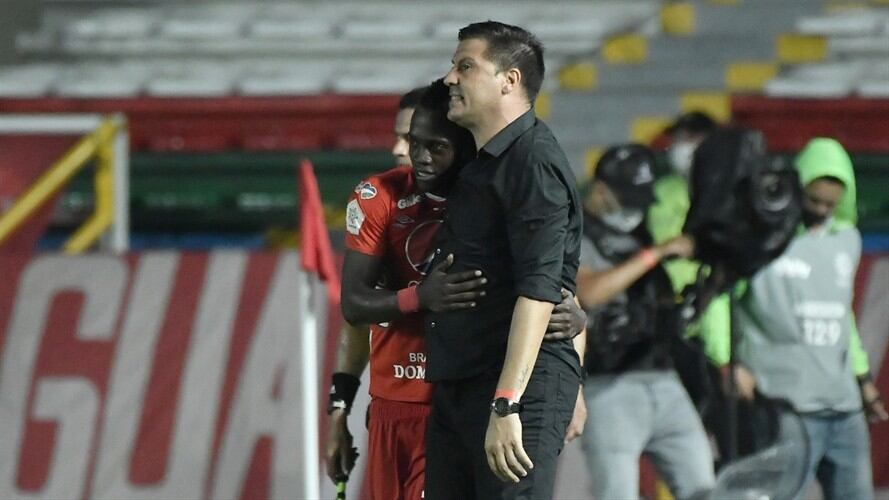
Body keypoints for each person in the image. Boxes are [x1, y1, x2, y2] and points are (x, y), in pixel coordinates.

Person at [325, 81, 585, 499]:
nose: (408, 152)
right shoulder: (378, 197)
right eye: (409, 140)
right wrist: (339, 409)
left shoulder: (498, 195)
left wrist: (575, 370)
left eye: (433, 144)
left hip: (462, 398)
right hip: (392, 404)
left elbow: (549, 293)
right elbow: (355, 309)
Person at [424, 21, 584, 500]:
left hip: (514, 389)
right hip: (463, 383)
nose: (450, 78)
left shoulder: (532, 161)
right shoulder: (483, 161)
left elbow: (541, 288)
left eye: (465, 66)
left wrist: (507, 402)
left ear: (509, 80)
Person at [729, 137, 887, 500]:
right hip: (785, 403)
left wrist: (862, 379)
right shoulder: (762, 239)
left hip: (843, 406)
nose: (821, 209)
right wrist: (727, 362)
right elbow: (722, 300)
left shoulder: (847, 239)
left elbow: (841, 315)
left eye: (830, 204)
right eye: (814, 200)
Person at [575, 144, 715, 500]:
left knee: (704, 488)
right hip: (609, 384)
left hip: (663, 376)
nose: (635, 210)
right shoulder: (574, 231)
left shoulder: (637, 234)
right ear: (600, 190)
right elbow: (589, 293)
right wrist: (656, 253)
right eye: (627, 199)